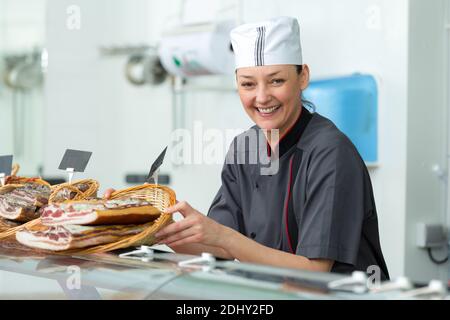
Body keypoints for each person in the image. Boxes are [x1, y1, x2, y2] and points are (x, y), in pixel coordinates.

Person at [106, 16, 389, 280]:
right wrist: (152, 227)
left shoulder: (331, 153)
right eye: (248, 84)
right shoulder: (246, 147)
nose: (262, 97)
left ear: (302, 77)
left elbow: (314, 271)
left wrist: (224, 237)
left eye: (276, 80)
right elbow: (218, 252)